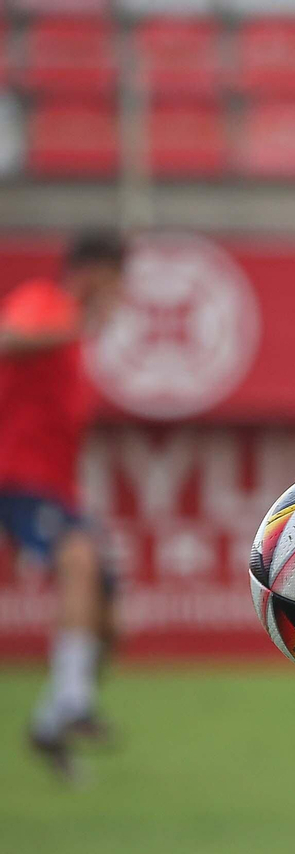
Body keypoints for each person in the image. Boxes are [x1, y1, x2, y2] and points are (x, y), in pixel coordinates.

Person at [0, 228, 126, 781]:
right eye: (117, 279)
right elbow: (10, 335)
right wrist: (79, 318)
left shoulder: (78, 338)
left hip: (57, 488)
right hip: (16, 479)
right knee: (78, 559)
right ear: (94, 271)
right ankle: (73, 700)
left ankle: (53, 720)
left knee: (110, 618)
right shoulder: (46, 303)